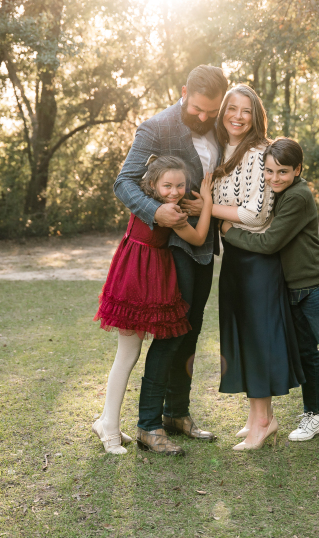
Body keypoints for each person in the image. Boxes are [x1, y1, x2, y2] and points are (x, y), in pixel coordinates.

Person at [220, 137, 319, 454]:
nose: (274, 179)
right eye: (270, 172)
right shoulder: (278, 193)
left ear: (298, 170)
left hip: (313, 285)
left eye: (283, 172)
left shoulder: (298, 196)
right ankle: (316, 415)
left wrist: (231, 233)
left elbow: (269, 243)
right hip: (290, 287)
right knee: (306, 355)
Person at [112, 65, 228, 456]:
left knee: (192, 331)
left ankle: (176, 413)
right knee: (169, 333)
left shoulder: (219, 123)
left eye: (210, 111)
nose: (203, 117)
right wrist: (154, 211)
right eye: (196, 109)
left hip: (204, 244)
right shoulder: (156, 127)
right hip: (174, 245)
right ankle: (147, 424)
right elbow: (124, 181)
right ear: (183, 92)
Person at [92, 157, 213, 454]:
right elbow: (198, 238)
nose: (174, 191)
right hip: (136, 277)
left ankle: (108, 421)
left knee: (129, 352)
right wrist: (207, 203)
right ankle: (108, 427)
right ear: (152, 184)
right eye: (167, 185)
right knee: (128, 352)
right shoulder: (165, 210)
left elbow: (194, 237)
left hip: (150, 274)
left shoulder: (150, 202)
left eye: (180, 185)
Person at [211, 85, 304, 451]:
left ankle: (263, 421)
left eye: (245, 110)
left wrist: (207, 210)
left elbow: (255, 213)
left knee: (258, 337)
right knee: (243, 335)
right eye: (230, 108)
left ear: (256, 116)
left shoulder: (258, 154)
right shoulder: (224, 150)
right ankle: (256, 417)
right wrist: (222, 222)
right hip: (235, 254)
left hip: (257, 259)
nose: (237, 116)